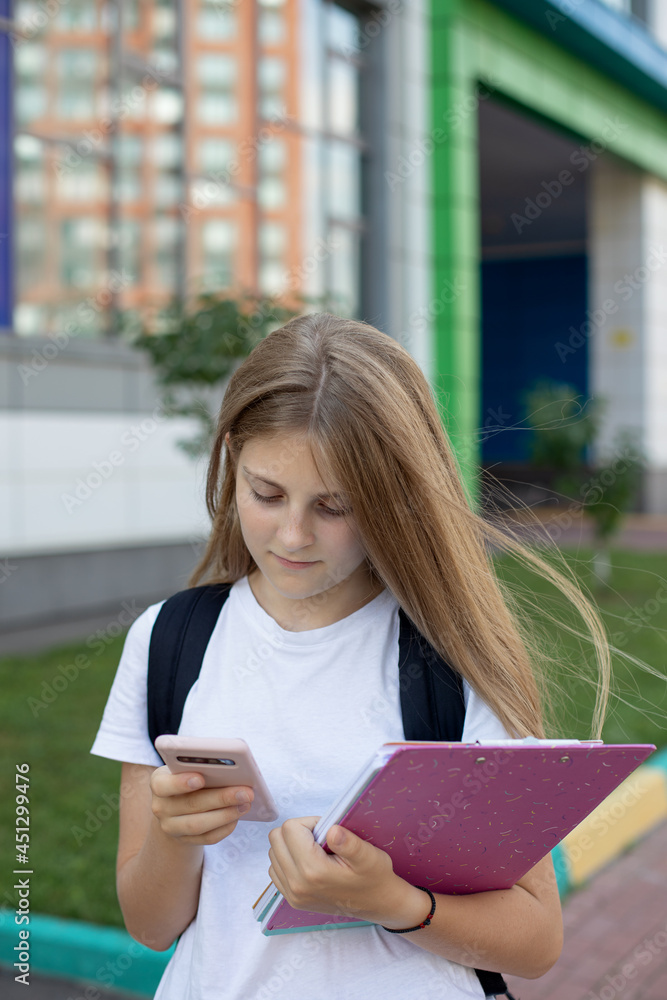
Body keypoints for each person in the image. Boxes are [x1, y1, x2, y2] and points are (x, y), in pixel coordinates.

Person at [91, 312, 610, 1000]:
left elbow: (536, 940)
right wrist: (176, 836)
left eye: (335, 506)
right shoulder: (168, 641)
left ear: (397, 497)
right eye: (266, 494)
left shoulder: (449, 657)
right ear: (229, 465)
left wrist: (389, 901)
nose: (293, 534)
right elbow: (151, 925)